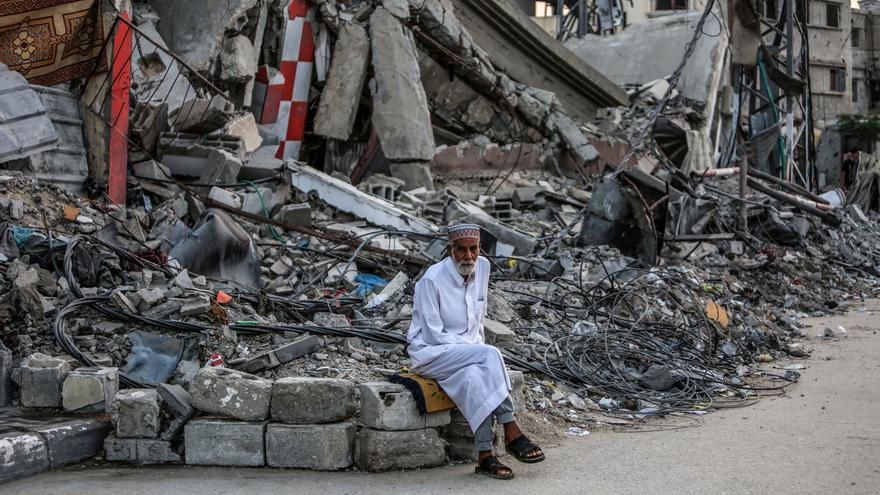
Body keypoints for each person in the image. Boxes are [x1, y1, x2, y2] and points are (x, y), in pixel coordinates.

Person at [406, 223, 544, 480]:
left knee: (473, 378)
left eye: (474, 249)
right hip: (432, 353)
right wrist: (477, 352)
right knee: (490, 354)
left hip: (468, 353)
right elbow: (433, 334)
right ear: (450, 250)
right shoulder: (431, 280)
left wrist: (475, 355)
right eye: (461, 250)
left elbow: (478, 322)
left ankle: (485, 456)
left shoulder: (483, 268)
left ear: (480, 249)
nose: (468, 256)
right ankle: (512, 429)